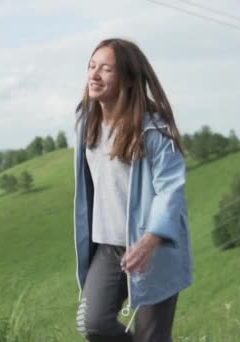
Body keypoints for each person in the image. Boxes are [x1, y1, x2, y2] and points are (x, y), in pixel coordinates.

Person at [73, 38, 193, 342]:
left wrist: (150, 241)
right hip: (109, 247)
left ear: (126, 79)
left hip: (154, 248)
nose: (94, 75)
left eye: (106, 69)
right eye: (92, 66)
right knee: (94, 324)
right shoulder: (87, 123)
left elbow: (171, 189)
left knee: (151, 337)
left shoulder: (153, 130)